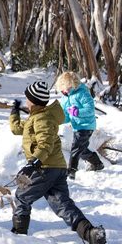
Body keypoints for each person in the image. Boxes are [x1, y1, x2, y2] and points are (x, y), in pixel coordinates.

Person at [9, 81, 106, 244]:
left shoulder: (41, 120)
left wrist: (33, 163)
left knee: (22, 196)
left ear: (32, 100)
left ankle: (18, 236)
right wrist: (14, 112)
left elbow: (45, 144)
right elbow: (17, 128)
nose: (25, 99)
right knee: (62, 204)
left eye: (26, 97)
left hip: (45, 167)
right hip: (56, 168)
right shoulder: (38, 117)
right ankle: (91, 233)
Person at [56, 71, 104, 179]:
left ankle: (71, 171)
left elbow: (90, 110)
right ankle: (97, 163)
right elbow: (67, 116)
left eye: (67, 87)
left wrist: (77, 112)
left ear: (73, 84)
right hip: (77, 126)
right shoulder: (65, 98)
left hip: (87, 125)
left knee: (76, 147)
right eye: (63, 88)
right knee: (81, 150)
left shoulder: (82, 93)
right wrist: (59, 120)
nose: (65, 90)